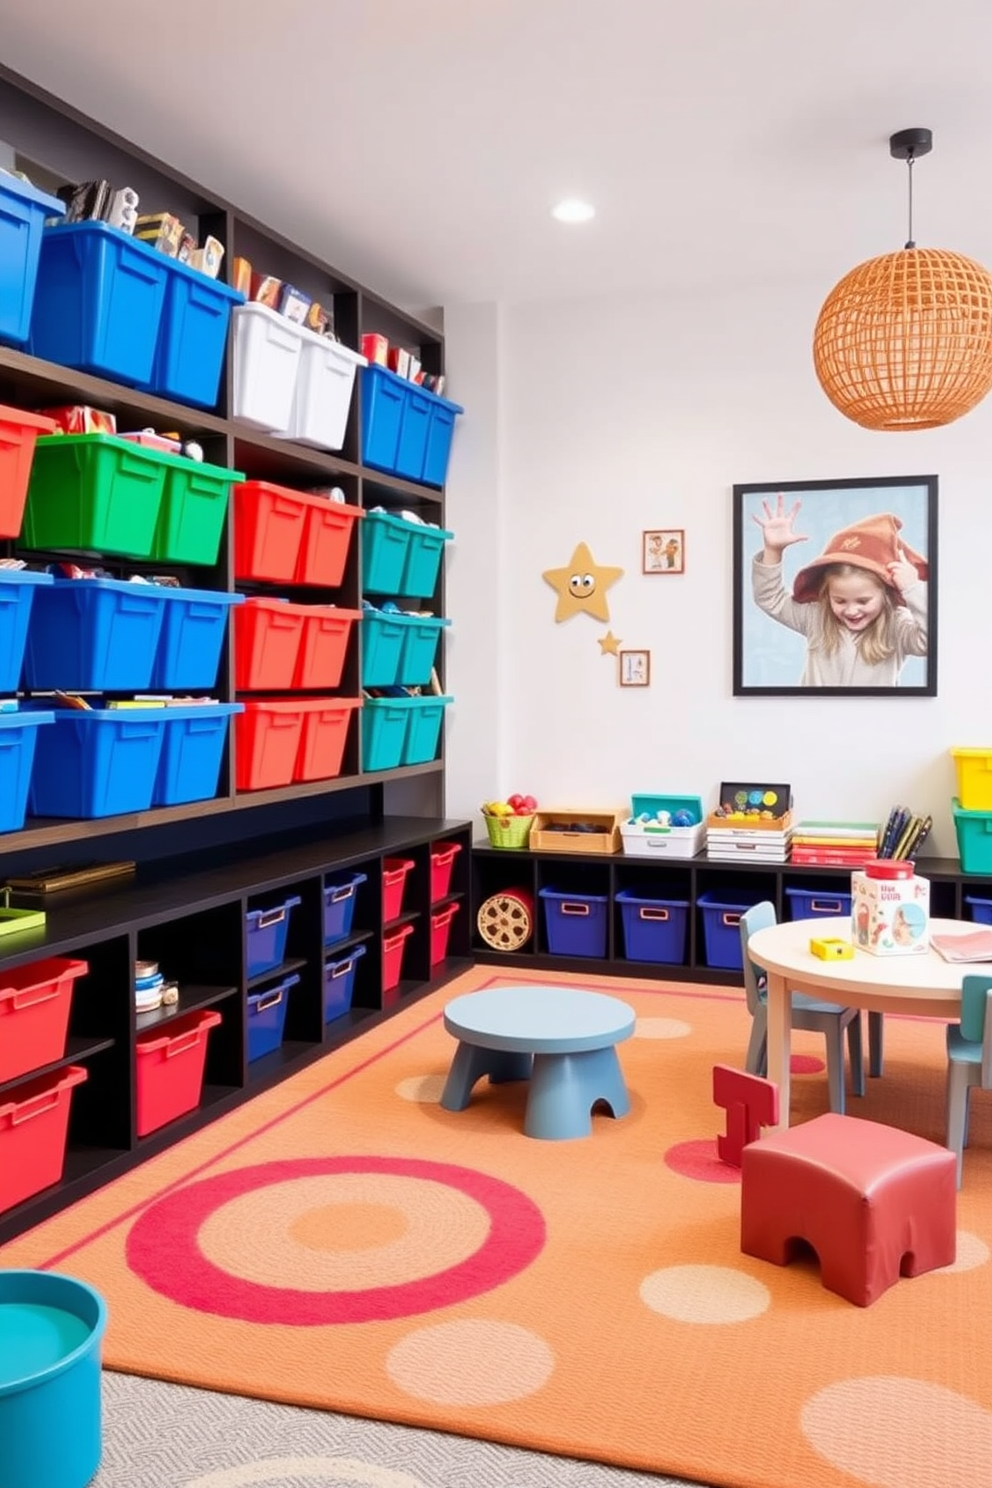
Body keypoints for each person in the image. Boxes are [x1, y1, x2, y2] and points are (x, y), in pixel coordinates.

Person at [750, 496, 928, 688]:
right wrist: (773, 550)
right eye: (840, 601)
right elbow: (769, 598)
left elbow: (928, 642)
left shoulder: (897, 625)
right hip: (813, 715)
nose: (851, 611)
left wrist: (912, 588)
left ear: (885, 595)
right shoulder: (816, 617)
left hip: (875, 717)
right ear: (827, 595)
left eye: (863, 601)